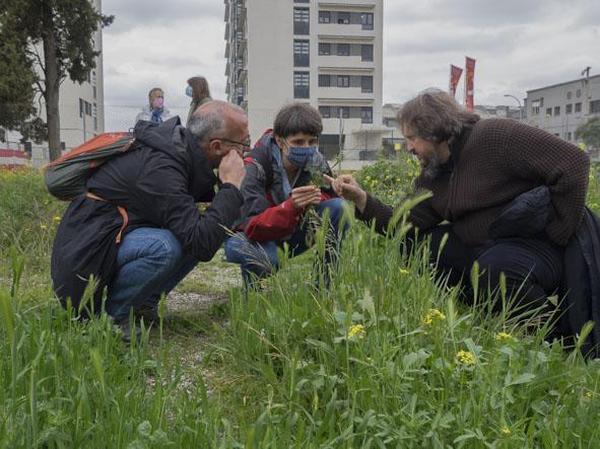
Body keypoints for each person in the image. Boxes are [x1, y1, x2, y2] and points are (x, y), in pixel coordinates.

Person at [327, 89, 590, 318]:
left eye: (412, 138)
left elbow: (573, 162)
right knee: (420, 247)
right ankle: (486, 311)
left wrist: (559, 234)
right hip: (488, 247)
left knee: (497, 270)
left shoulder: (495, 136)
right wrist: (360, 198)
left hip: (536, 247)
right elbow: (403, 224)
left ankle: (549, 331)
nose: (408, 147)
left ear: (434, 132)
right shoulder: (434, 173)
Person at [52, 101, 248, 340]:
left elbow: (207, 233)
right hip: (87, 252)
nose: (245, 152)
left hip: (112, 237)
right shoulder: (162, 167)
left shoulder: (178, 155)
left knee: (203, 232)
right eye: (243, 144)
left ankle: (142, 304)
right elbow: (201, 243)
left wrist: (226, 193)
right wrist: (230, 186)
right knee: (165, 247)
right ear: (216, 146)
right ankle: (112, 317)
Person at [224, 102, 348, 286]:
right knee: (267, 258)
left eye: (312, 141)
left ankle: (323, 286)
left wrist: (335, 192)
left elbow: (328, 201)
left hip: (289, 231)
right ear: (280, 141)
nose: (307, 147)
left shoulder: (316, 161)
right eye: (298, 142)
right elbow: (251, 225)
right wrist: (291, 206)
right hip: (248, 236)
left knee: (339, 208)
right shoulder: (254, 166)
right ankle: (253, 289)